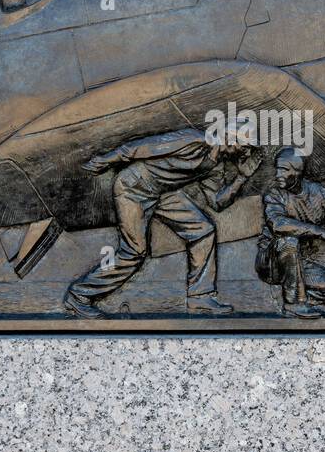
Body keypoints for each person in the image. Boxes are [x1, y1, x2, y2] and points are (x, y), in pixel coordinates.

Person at [63, 127, 261, 318]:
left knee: (203, 231)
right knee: (134, 251)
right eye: (245, 145)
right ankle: (79, 295)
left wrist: (241, 178)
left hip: (163, 193)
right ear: (229, 137)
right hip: (134, 187)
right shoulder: (194, 140)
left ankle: (200, 297)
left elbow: (217, 203)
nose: (246, 151)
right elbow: (144, 146)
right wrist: (106, 159)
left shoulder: (216, 166)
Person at [256, 148, 325, 319]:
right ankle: (293, 303)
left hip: (303, 263)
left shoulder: (319, 193)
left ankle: (300, 293)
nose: (278, 174)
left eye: (284, 170)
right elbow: (278, 224)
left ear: (298, 172)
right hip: (272, 263)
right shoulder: (274, 195)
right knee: (288, 241)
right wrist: (319, 232)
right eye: (277, 168)